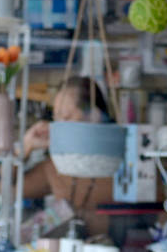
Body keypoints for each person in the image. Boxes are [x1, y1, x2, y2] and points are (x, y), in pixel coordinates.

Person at [20, 77, 117, 238]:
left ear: (94, 116)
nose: (58, 125)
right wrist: (26, 147)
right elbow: (7, 190)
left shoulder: (121, 161)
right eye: (56, 118)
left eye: (66, 117)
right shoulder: (56, 165)